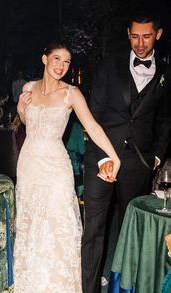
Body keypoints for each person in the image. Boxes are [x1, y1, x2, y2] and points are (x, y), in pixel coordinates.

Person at [13, 40, 120, 292]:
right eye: (57, 58)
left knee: (58, 225)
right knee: (32, 226)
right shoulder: (29, 88)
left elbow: (92, 126)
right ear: (44, 59)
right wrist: (20, 110)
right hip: (29, 165)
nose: (61, 65)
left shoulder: (72, 93)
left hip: (56, 169)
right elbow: (28, 124)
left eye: (67, 61)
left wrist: (114, 156)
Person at [82, 11, 171, 293]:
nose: (140, 43)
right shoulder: (109, 65)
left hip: (139, 161)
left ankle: (123, 288)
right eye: (135, 36)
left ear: (158, 34)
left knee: (129, 229)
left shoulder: (166, 74)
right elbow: (93, 113)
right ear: (128, 34)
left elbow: (165, 119)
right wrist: (104, 156)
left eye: (146, 36)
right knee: (94, 229)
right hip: (102, 156)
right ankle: (90, 288)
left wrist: (157, 154)